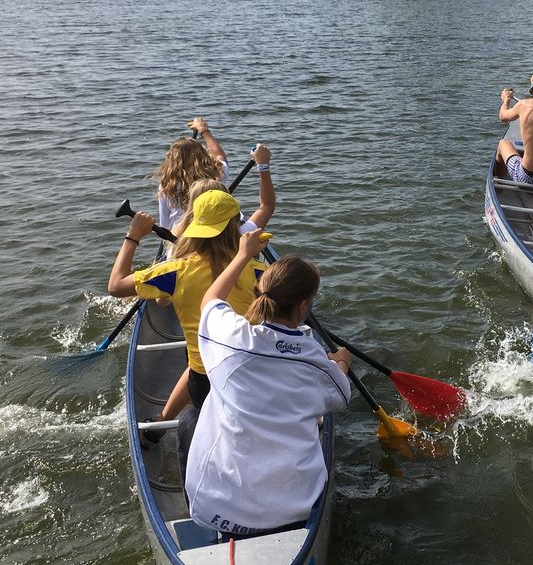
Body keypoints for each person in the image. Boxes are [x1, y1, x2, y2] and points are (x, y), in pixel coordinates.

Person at [181, 231, 352, 537]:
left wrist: (243, 254)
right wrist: (341, 362)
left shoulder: (233, 337)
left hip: (220, 508)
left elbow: (211, 300)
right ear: (302, 307)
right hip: (295, 506)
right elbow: (341, 398)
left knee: (190, 419)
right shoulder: (313, 357)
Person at [107, 155, 273, 416]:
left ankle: (167, 421)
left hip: (203, 377)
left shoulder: (173, 271)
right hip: (252, 372)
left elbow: (115, 286)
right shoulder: (261, 271)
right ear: (236, 226)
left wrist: (133, 237)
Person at [152, 117, 229, 231]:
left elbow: (165, 225)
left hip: (179, 239)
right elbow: (219, 156)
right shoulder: (216, 175)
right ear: (202, 155)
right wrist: (203, 129)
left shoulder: (167, 185)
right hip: (213, 235)